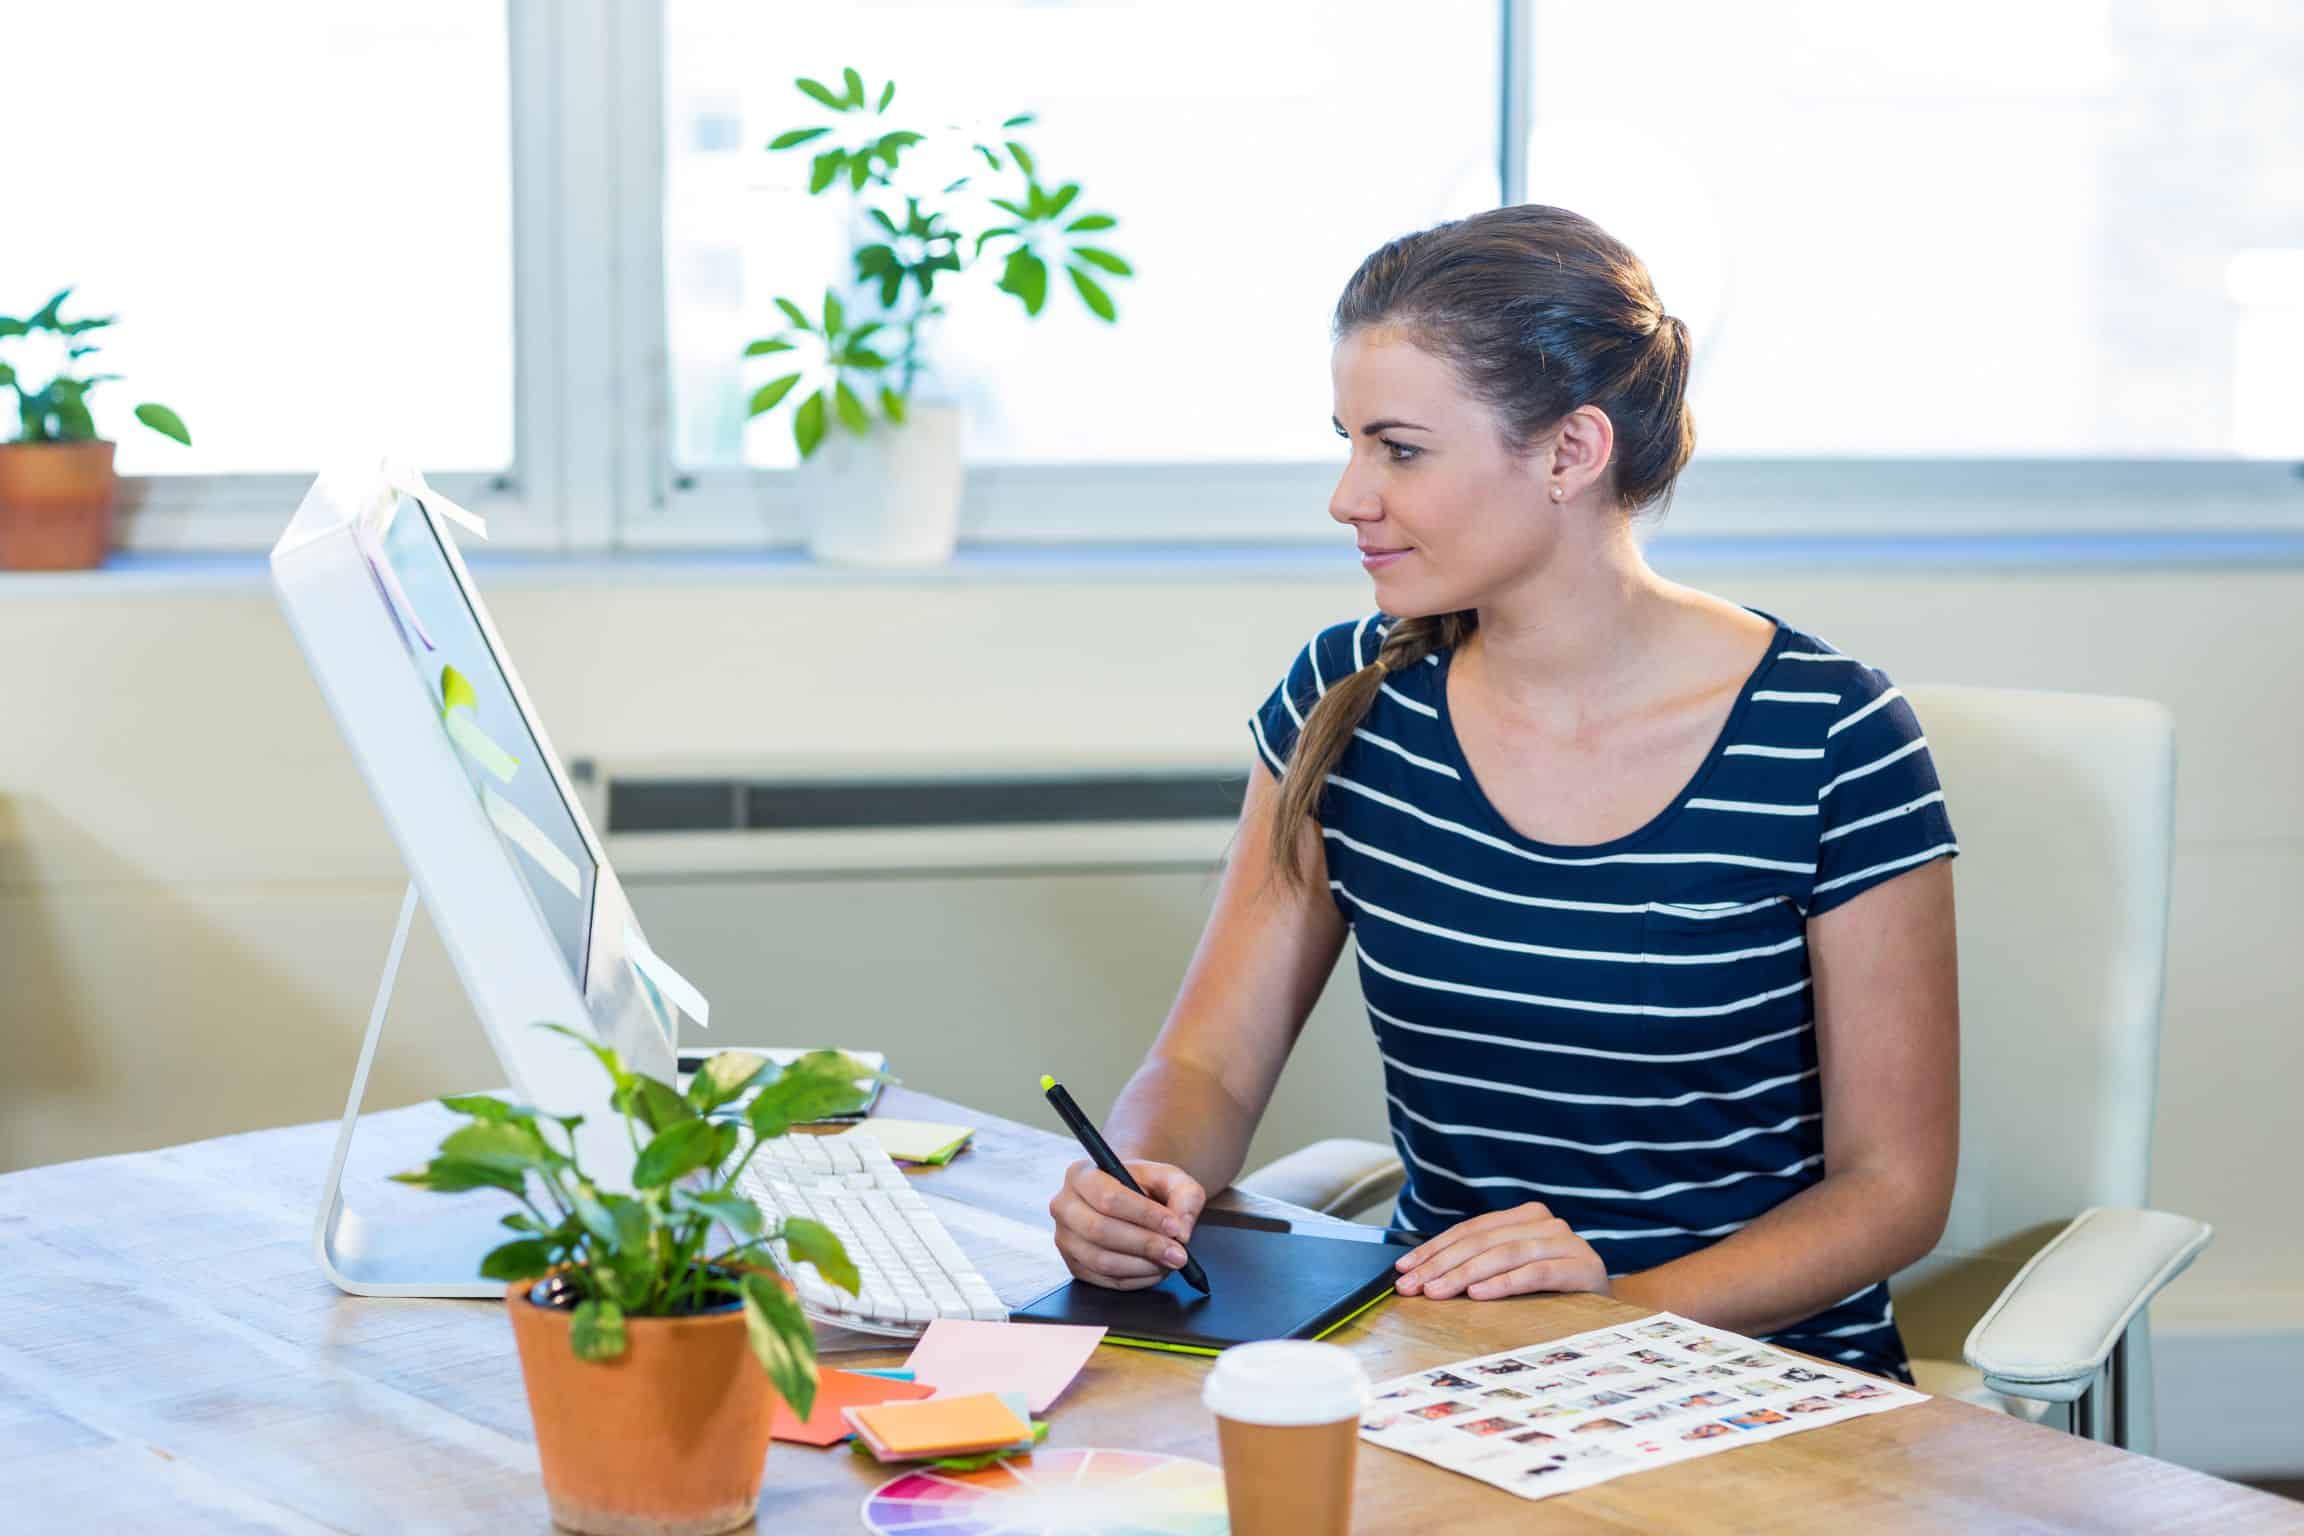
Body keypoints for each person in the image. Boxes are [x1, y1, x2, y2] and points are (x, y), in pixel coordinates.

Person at [1045, 204, 1959, 1382]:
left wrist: (1625, 1312)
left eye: (1401, 449)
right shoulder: (1350, 699)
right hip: (1446, 1368)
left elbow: (1893, 1191)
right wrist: (1142, 1176)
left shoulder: (1831, 733)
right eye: (1348, 441)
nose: (1348, 496)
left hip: (1753, 1382)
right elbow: (1208, 1067)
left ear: (1572, 453)